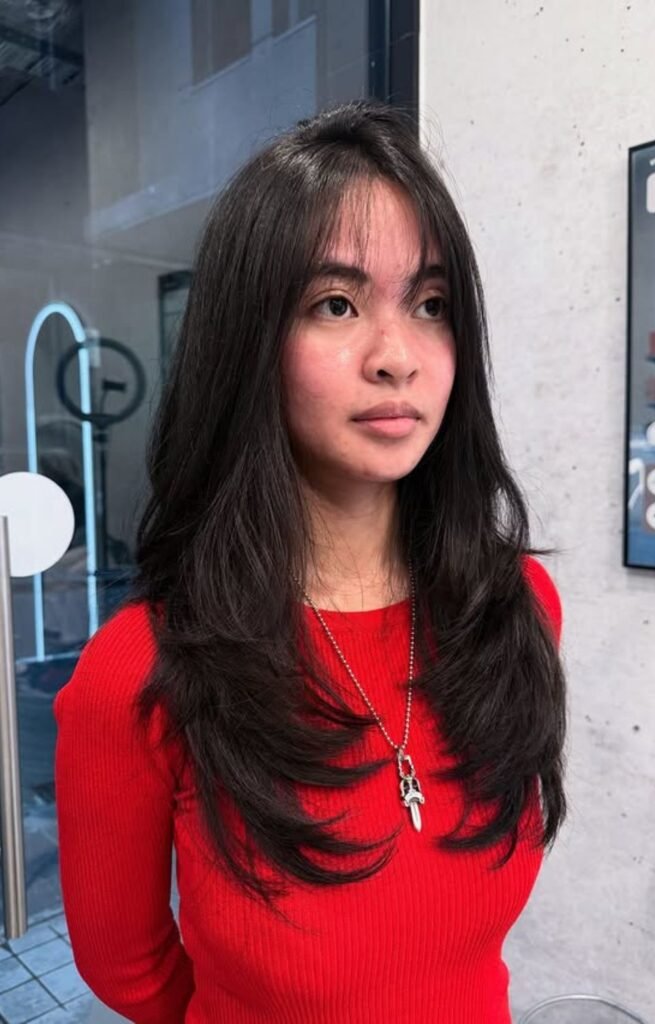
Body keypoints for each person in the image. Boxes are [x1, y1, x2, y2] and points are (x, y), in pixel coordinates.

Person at [54, 99, 567, 1024]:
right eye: (336, 303)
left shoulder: (513, 606)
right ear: (248, 341)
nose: (397, 357)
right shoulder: (142, 670)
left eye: (430, 305)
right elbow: (127, 968)